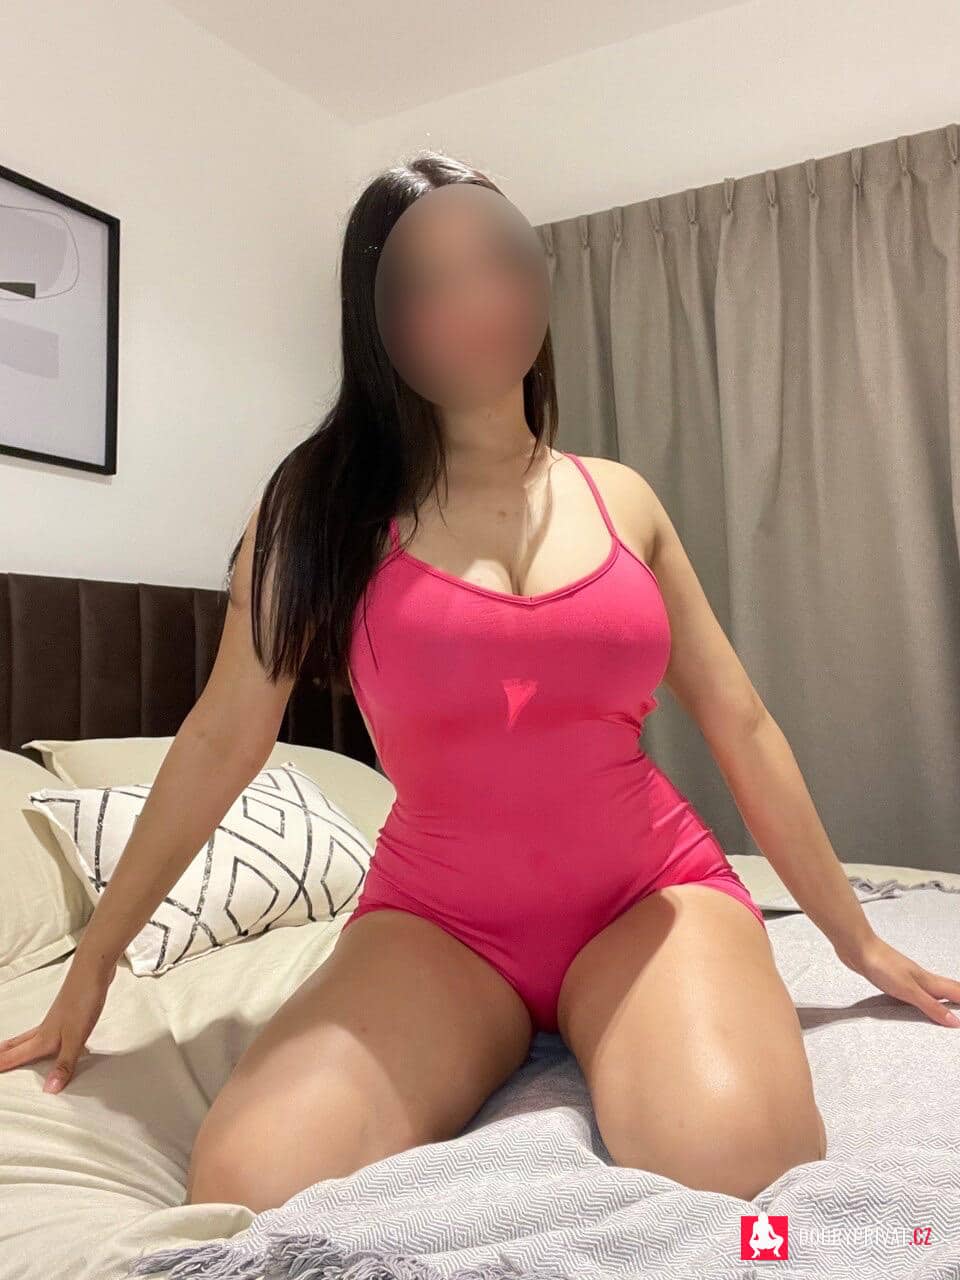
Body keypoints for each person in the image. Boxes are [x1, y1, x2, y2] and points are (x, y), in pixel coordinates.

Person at [3, 152, 958, 1218]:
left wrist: (855, 938)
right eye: (430, 281)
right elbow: (222, 741)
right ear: (379, 320)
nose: (478, 299)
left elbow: (741, 721)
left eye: (499, 262)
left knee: (743, 1164)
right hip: (441, 925)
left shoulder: (624, 499)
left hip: (647, 894)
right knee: (251, 1181)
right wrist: (94, 960)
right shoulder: (318, 514)